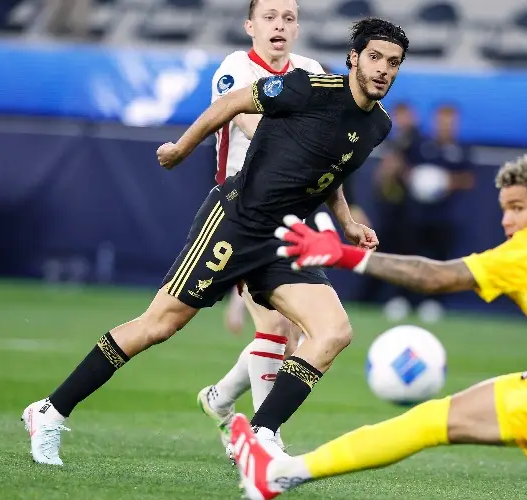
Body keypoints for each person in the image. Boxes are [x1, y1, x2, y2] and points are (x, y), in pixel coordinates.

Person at [21, 17, 408, 466]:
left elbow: (331, 173)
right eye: (376, 58)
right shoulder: (308, 88)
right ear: (354, 58)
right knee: (159, 324)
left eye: (394, 62)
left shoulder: (378, 124)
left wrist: (345, 223)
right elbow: (232, 102)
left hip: (284, 240)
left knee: (334, 331)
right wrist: (182, 149)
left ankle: (261, 435)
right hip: (235, 222)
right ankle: (48, 411)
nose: (383, 69)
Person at [230, 154, 527, 499]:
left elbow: (434, 276)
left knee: (429, 421)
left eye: (518, 208)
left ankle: (280, 474)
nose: (507, 221)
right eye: (503, 209)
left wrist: (343, 256)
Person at [197, 0, 325, 458]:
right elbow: (254, 126)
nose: (279, 25)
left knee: (290, 333)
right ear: (250, 25)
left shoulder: (311, 69)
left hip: (290, 216)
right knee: (273, 325)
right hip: (239, 213)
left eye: (288, 18)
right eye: (269, 17)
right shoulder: (233, 70)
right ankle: (261, 439)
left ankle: (220, 399)